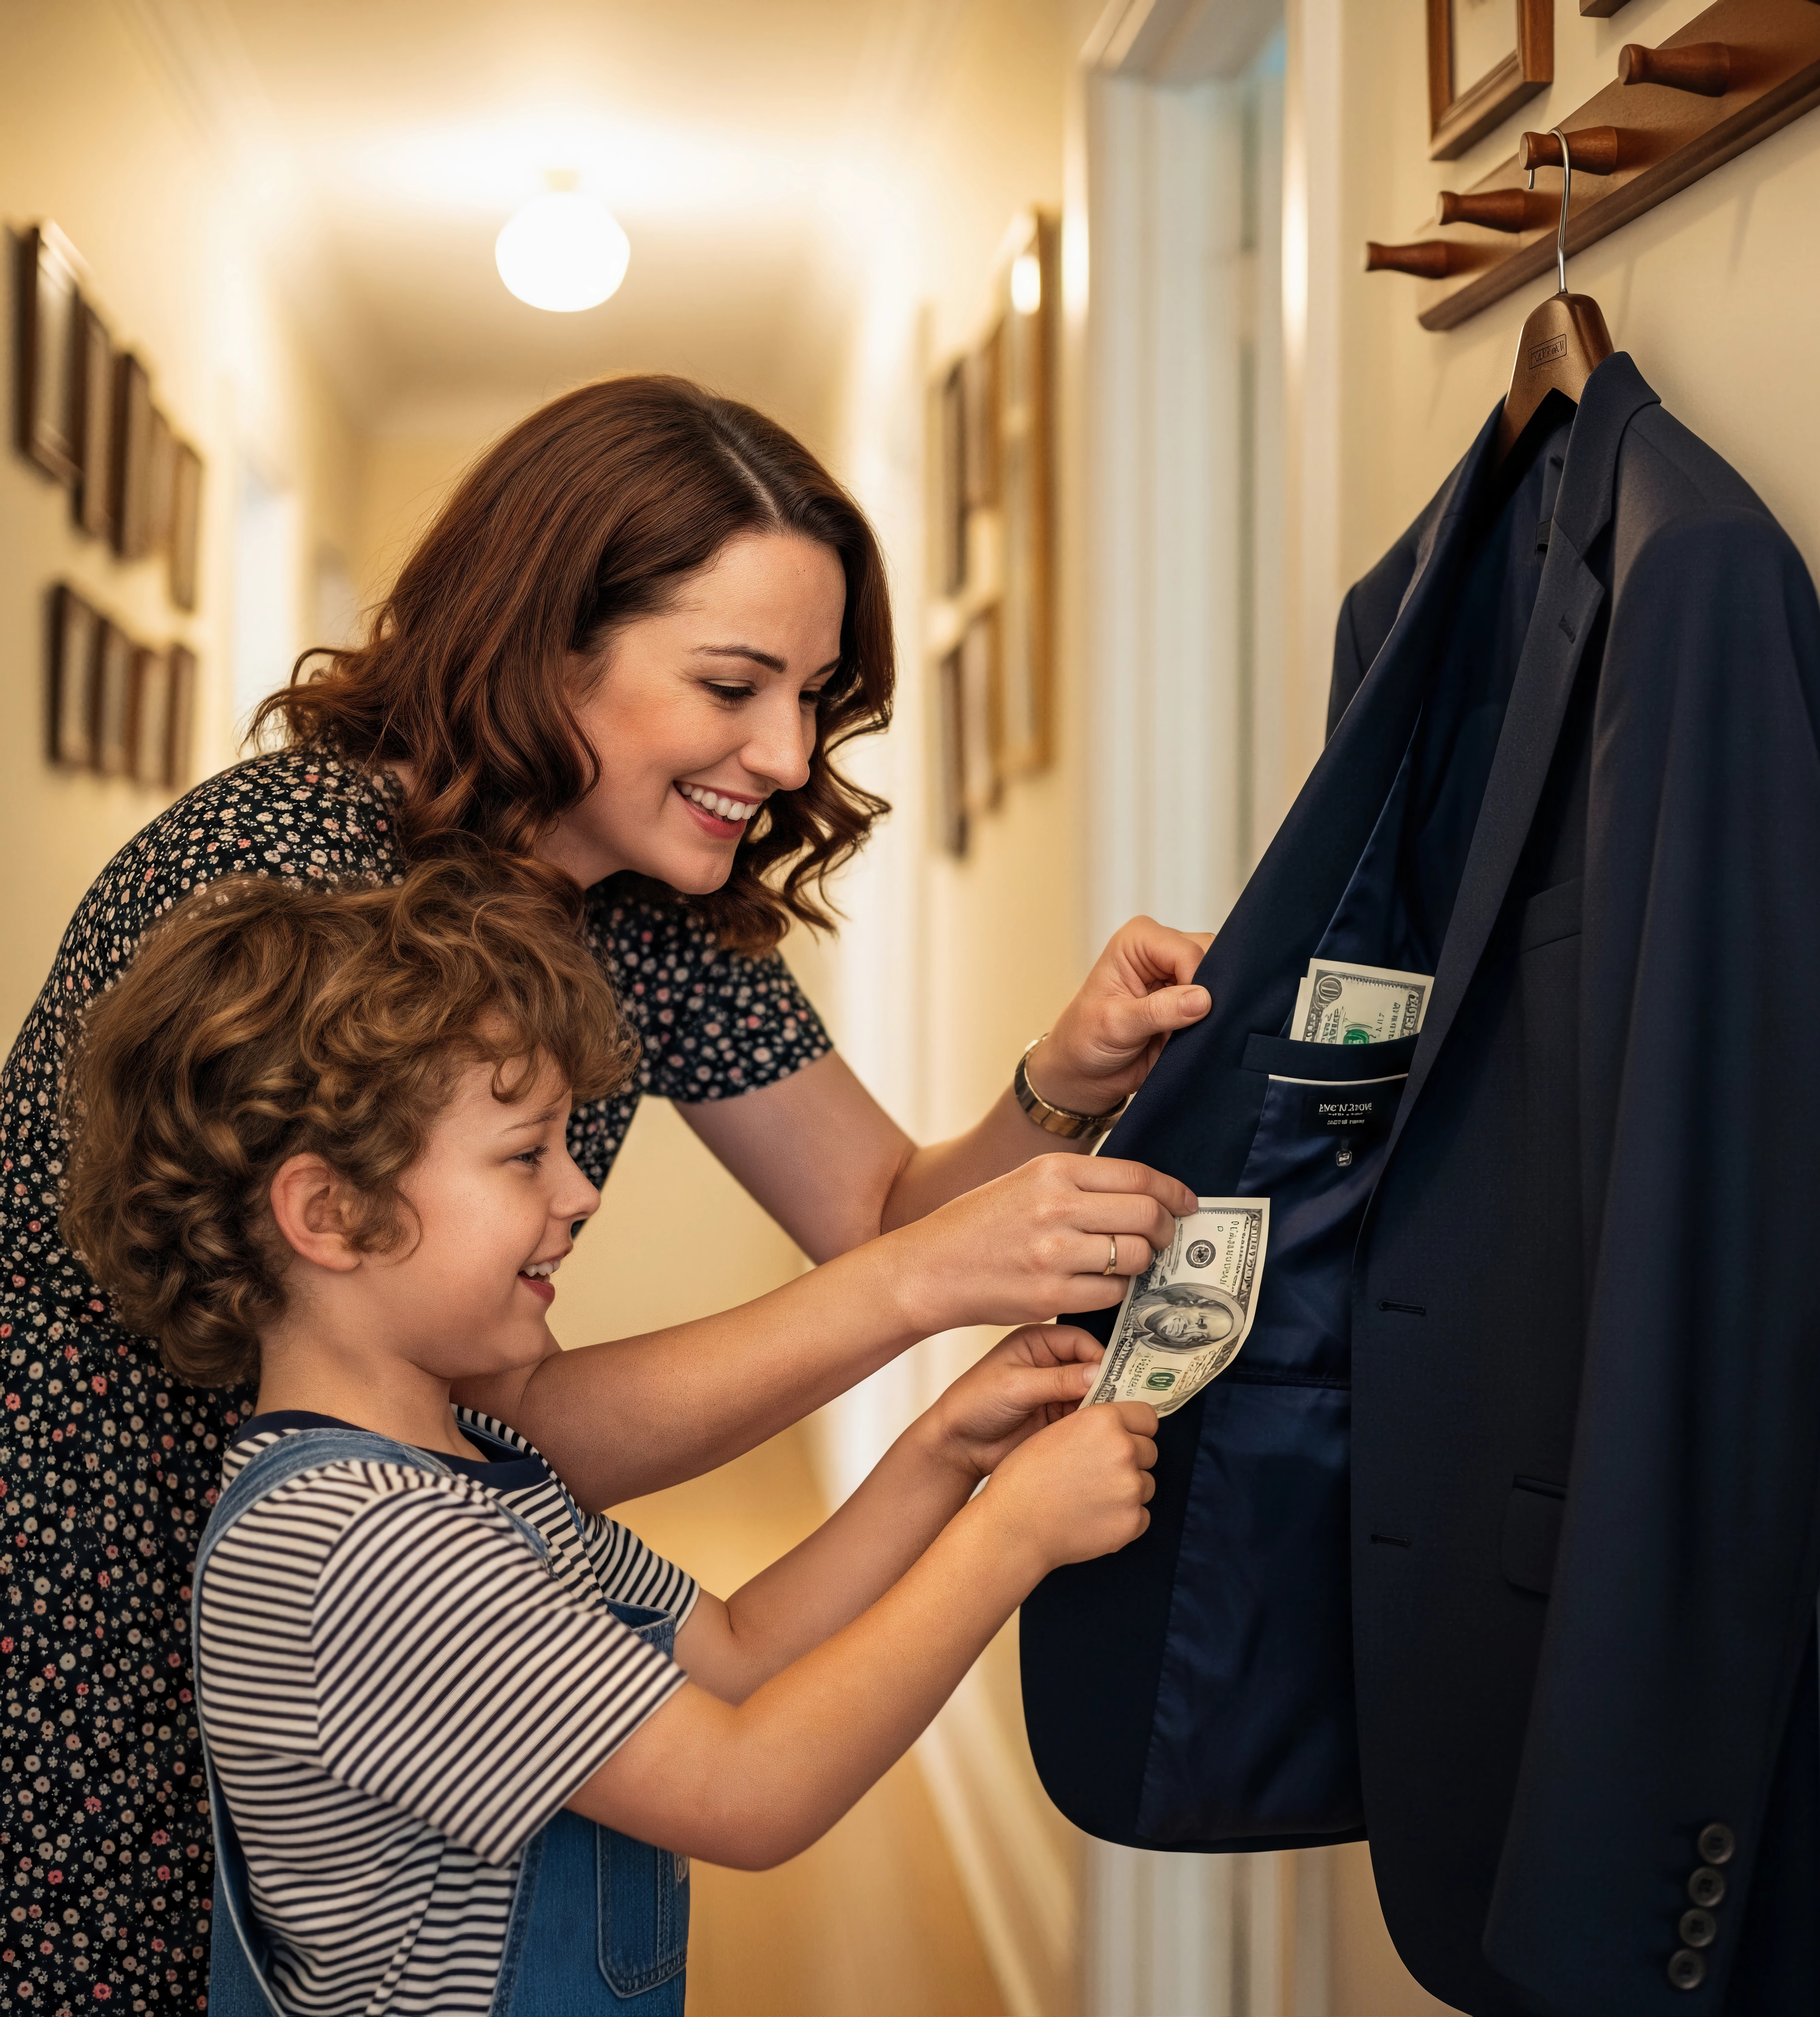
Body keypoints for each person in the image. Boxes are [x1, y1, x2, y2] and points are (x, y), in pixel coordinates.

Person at [0, 373, 1205, 2010]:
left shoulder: (647, 898)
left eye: (812, 695)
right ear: (543, 643)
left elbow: (878, 1216)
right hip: (99, 1623)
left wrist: (1057, 1082)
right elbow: (538, 1408)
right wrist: (947, 1380)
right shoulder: (301, 884)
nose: (786, 754)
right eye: (732, 684)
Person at [58, 861, 1159, 2017]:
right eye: (524, 1153)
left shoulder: (463, 1467)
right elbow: (747, 1790)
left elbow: (736, 1649)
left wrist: (945, 1456)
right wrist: (1010, 1539)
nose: (581, 1191)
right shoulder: (361, 1545)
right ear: (329, 1212)